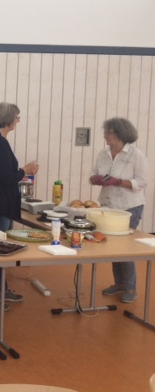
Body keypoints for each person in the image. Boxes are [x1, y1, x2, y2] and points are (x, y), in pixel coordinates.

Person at [0, 102, 39, 310]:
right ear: (9, 119)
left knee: (1, 248)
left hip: (0, 203)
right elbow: (6, 178)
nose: (18, 121)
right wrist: (25, 170)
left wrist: (21, 171)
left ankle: (0, 289)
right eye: (17, 118)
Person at [90, 117, 149, 304]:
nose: (105, 135)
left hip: (129, 207)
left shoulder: (135, 155)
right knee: (112, 246)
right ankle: (119, 283)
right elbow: (93, 174)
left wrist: (119, 182)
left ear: (120, 134)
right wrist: (96, 179)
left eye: (108, 132)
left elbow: (142, 181)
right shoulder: (103, 154)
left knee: (124, 247)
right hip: (108, 206)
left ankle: (130, 287)